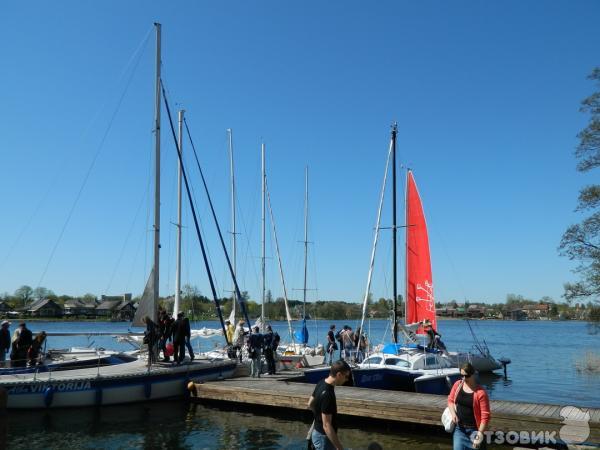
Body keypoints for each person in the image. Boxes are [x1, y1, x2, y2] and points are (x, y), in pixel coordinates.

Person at [307, 360, 351, 450]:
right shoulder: (328, 394)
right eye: (346, 376)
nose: (347, 380)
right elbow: (327, 426)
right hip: (324, 438)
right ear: (339, 375)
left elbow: (310, 403)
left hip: (316, 432)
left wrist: (318, 416)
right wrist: (339, 447)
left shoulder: (321, 382)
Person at [447, 362, 490, 450]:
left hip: (475, 431)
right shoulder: (457, 385)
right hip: (460, 429)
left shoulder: (481, 393)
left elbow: (485, 417)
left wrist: (479, 435)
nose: (463, 378)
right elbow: (450, 401)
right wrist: (453, 414)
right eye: (461, 375)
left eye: (466, 376)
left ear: (472, 374)